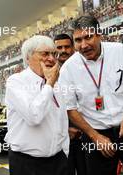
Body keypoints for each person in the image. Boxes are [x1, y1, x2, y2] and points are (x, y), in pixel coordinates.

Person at [59, 16, 123, 175]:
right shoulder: (68, 68)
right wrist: (95, 137)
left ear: (99, 34)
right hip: (95, 135)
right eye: (78, 40)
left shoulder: (121, 51)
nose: (83, 45)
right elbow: (70, 109)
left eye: (88, 37)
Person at [5, 35, 69, 175]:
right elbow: (34, 116)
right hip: (27, 163)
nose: (51, 59)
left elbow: (62, 120)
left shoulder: (57, 84)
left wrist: (65, 152)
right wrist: (49, 84)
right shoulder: (16, 81)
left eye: (54, 54)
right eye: (45, 54)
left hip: (58, 161)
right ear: (28, 57)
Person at [54, 33, 86, 175]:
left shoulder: (85, 68)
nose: (63, 50)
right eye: (59, 47)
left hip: (86, 133)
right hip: (62, 137)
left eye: (67, 46)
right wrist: (65, 128)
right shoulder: (48, 74)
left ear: (73, 47)